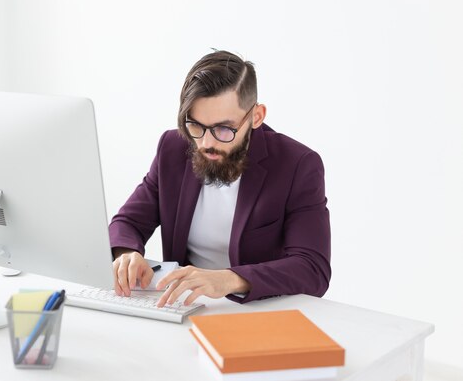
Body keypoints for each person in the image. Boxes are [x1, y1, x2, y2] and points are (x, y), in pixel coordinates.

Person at [109, 50, 331, 307]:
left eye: (224, 128)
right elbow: (129, 221)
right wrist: (127, 253)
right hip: (184, 307)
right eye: (195, 125)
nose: (206, 142)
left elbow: (313, 268)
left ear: (256, 117)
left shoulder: (297, 164)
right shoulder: (173, 147)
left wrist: (228, 279)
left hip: (260, 312)